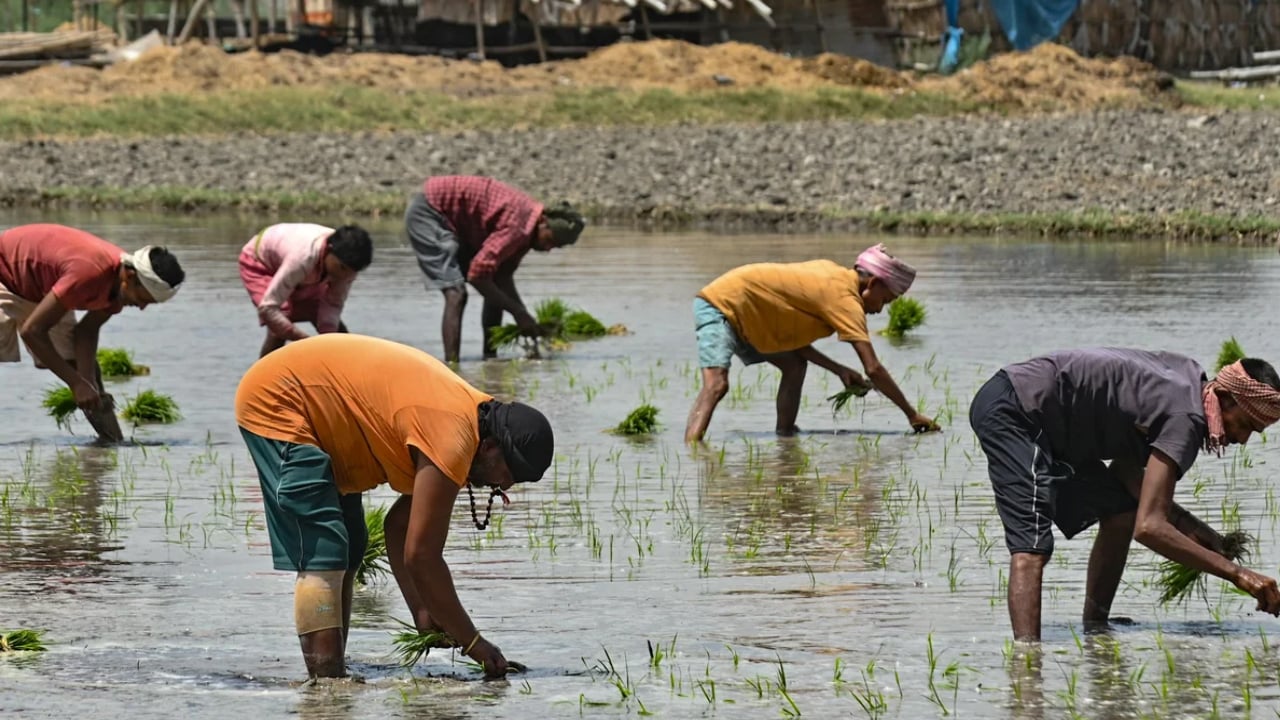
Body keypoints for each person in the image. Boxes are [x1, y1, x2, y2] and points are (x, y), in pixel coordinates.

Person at [234, 333, 555, 679]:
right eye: (507, 473)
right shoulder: (452, 438)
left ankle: (334, 672)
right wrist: (474, 642)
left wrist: (422, 610)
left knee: (351, 544)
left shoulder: (470, 427)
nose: (504, 485)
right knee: (324, 549)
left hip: (330, 420)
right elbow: (422, 556)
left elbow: (400, 527)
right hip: (281, 398)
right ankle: (326, 685)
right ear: (491, 447)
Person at [969, 348, 1280, 641]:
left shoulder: (1186, 386)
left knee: (1122, 513)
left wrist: (1199, 532)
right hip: (1017, 410)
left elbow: (1126, 475)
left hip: (1055, 428)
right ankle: (1026, 661)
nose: (1242, 439)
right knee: (1032, 546)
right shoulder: (1185, 418)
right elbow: (1150, 528)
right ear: (1224, 398)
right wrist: (1238, 574)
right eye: (1245, 425)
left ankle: (1095, 627)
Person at [684, 244, 939, 443]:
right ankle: (693, 449)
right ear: (872, 283)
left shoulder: (834, 275)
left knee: (794, 365)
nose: (880, 309)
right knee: (716, 384)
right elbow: (873, 368)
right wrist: (911, 415)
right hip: (720, 304)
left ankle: (785, 438)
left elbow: (795, 344)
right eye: (884, 300)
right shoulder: (844, 300)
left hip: (750, 315)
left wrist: (839, 370)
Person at [0, 223, 185, 442]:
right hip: (5, 271)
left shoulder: (117, 289)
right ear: (129, 276)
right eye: (142, 299)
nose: (142, 307)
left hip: (39, 288)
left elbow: (86, 332)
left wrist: (88, 382)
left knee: (81, 370)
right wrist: (76, 384)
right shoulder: (89, 274)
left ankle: (113, 445)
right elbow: (32, 332)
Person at [405, 175, 586, 363]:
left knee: (494, 287)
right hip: (431, 210)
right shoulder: (518, 227)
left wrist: (524, 316)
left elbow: (502, 277)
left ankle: (490, 358)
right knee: (456, 294)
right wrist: (518, 313)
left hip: (459, 222)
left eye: (555, 247)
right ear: (543, 223)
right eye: (550, 241)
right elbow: (477, 276)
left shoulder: (528, 232)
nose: (548, 249)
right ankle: (451, 367)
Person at [239, 223, 372, 357]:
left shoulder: (347, 267)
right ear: (329, 249)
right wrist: (303, 340)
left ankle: (350, 364)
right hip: (260, 262)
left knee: (336, 331)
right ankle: (266, 370)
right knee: (280, 323)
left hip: (306, 269)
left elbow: (333, 303)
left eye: (351, 272)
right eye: (342, 268)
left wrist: (329, 340)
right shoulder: (303, 258)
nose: (344, 277)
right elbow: (268, 307)